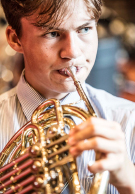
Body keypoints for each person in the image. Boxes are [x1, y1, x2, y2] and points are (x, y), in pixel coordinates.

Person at [0, 0, 135, 193]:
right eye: (52, 34)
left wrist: (129, 180)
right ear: (15, 39)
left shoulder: (130, 120)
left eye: (85, 29)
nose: (72, 52)